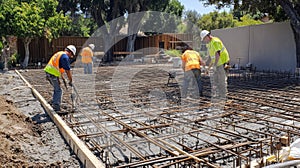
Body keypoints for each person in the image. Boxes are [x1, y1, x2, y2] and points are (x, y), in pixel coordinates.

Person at [44, 45, 76, 112]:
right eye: (71, 55)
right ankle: (56, 107)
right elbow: (68, 71)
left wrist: (60, 79)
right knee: (59, 90)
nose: (70, 57)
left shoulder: (60, 53)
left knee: (57, 88)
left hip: (49, 72)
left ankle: (54, 101)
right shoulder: (65, 57)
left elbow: (58, 68)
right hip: (52, 74)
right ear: (70, 52)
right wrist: (71, 81)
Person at [200, 30, 230, 101]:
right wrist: (206, 65)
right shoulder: (209, 44)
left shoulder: (215, 41)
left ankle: (223, 96)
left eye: (204, 39)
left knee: (222, 80)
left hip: (223, 63)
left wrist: (215, 65)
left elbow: (217, 54)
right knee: (216, 80)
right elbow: (211, 57)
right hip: (217, 64)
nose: (204, 41)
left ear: (207, 36)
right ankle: (220, 95)